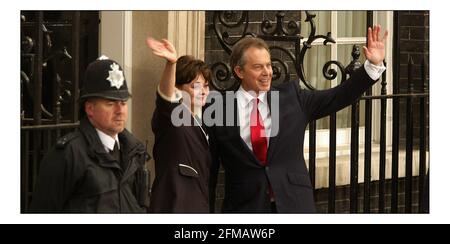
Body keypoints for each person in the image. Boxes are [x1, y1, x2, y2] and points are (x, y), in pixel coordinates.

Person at [208, 25, 388, 213]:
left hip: (294, 204)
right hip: (244, 208)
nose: (267, 72)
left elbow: (338, 96)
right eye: (257, 67)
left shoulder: (292, 98)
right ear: (239, 71)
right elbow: (209, 173)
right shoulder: (219, 110)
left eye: (268, 65)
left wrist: (372, 67)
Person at [29, 56, 150, 213]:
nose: (120, 111)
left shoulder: (134, 152)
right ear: (90, 109)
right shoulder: (68, 155)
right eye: (110, 103)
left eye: (124, 103)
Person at [146, 38, 212, 213]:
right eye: (195, 86)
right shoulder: (171, 117)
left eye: (206, 86)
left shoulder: (201, 122)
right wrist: (171, 64)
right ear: (177, 88)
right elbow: (166, 98)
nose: (203, 91)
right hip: (173, 207)